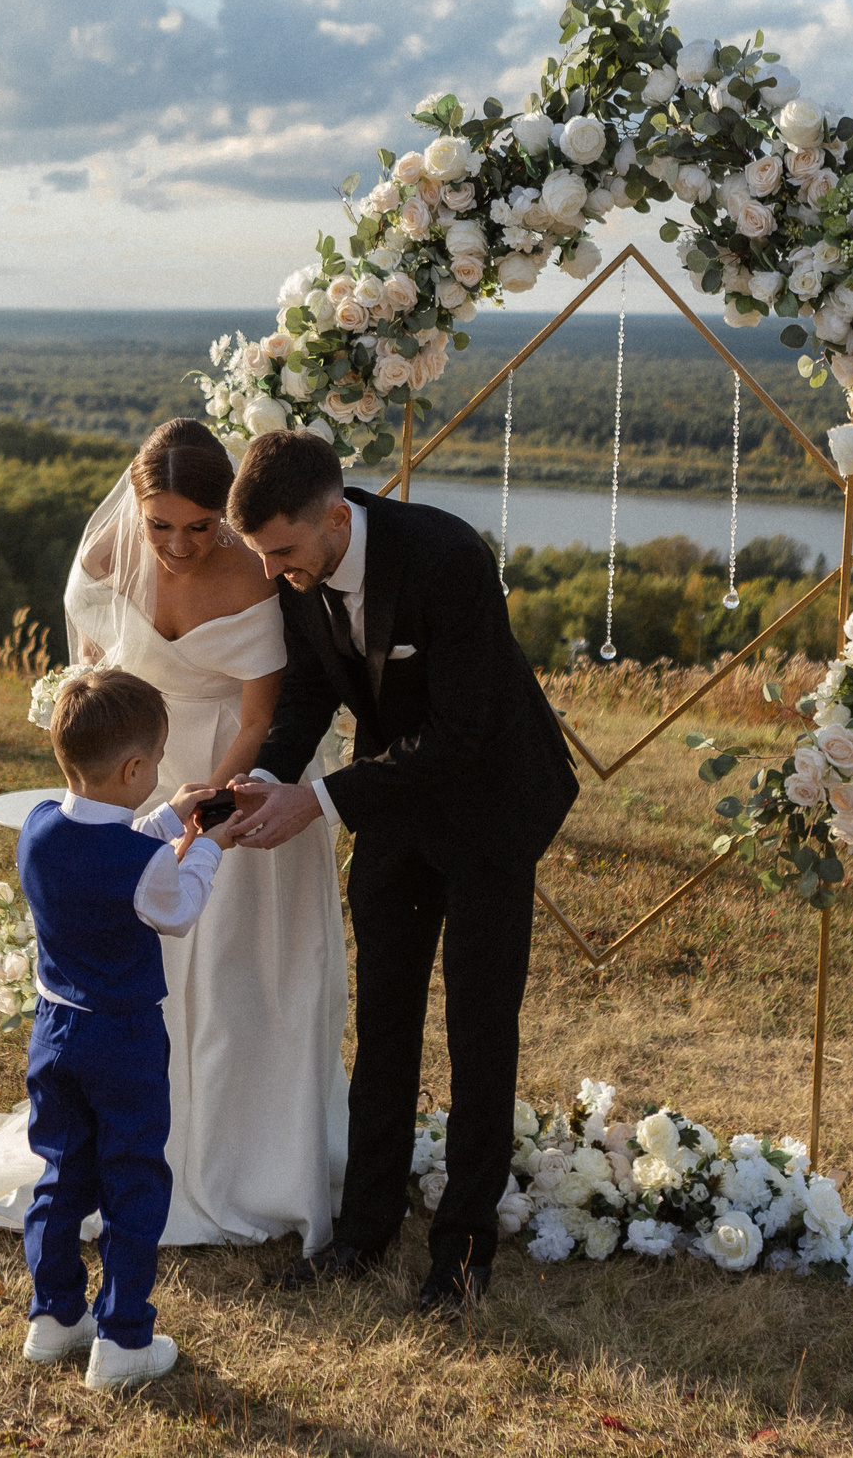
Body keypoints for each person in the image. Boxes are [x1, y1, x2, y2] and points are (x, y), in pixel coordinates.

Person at [0, 421, 348, 1253]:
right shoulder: (110, 550)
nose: (178, 544)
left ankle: (249, 1161)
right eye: (160, 525)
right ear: (137, 511)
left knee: (240, 972)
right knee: (143, 975)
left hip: (229, 770)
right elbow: (95, 658)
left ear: (224, 514)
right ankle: (137, 1144)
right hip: (135, 772)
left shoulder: (258, 574)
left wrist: (213, 807)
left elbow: (263, 715)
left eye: (198, 525)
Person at [222, 429, 579, 1317]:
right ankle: (363, 1232)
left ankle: (462, 1253)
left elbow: (462, 734)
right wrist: (265, 780)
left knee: (478, 1026)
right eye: (260, 554)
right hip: (390, 806)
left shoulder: (449, 557)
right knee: (382, 1019)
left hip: (491, 804)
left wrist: (322, 802)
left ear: (335, 520)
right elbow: (308, 690)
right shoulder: (295, 574)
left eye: (283, 552)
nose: (269, 573)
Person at [17, 667, 241, 1391]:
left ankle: (53, 1318)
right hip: (123, 1040)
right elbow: (173, 906)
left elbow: (106, 852)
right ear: (135, 767)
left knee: (61, 1172)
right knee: (133, 1180)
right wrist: (207, 842)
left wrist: (170, 818)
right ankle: (122, 1339)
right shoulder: (145, 863)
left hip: (55, 1031)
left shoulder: (39, 828)